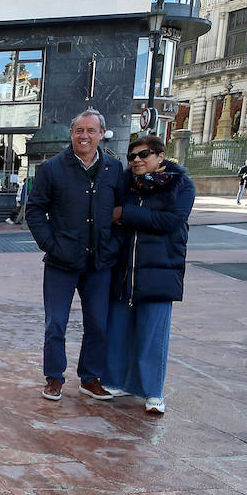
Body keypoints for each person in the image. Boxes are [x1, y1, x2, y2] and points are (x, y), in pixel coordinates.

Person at [24, 109, 121, 402]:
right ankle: (54, 377)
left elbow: (121, 211)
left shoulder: (113, 170)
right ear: (71, 133)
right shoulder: (52, 169)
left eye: (91, 131)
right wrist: (52, 245)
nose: (85, 136)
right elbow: (35, 210)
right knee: (56, 323)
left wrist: (112, 243)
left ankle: (90, 378)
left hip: (99, 261)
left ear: (101, 134)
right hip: (61, 261)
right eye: (80, 130)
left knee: (98, 323)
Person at [106, 136, 195, 415]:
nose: (136, 161)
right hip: (124, 269)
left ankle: (153, 392)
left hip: (160, 269)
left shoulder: (180, 184)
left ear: (160, 155)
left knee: (153, 334)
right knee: (118, 330)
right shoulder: (124, 184)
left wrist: (127, 214)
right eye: (131, 156)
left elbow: (171, 221)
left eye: (143, 155)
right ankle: (115, 381)